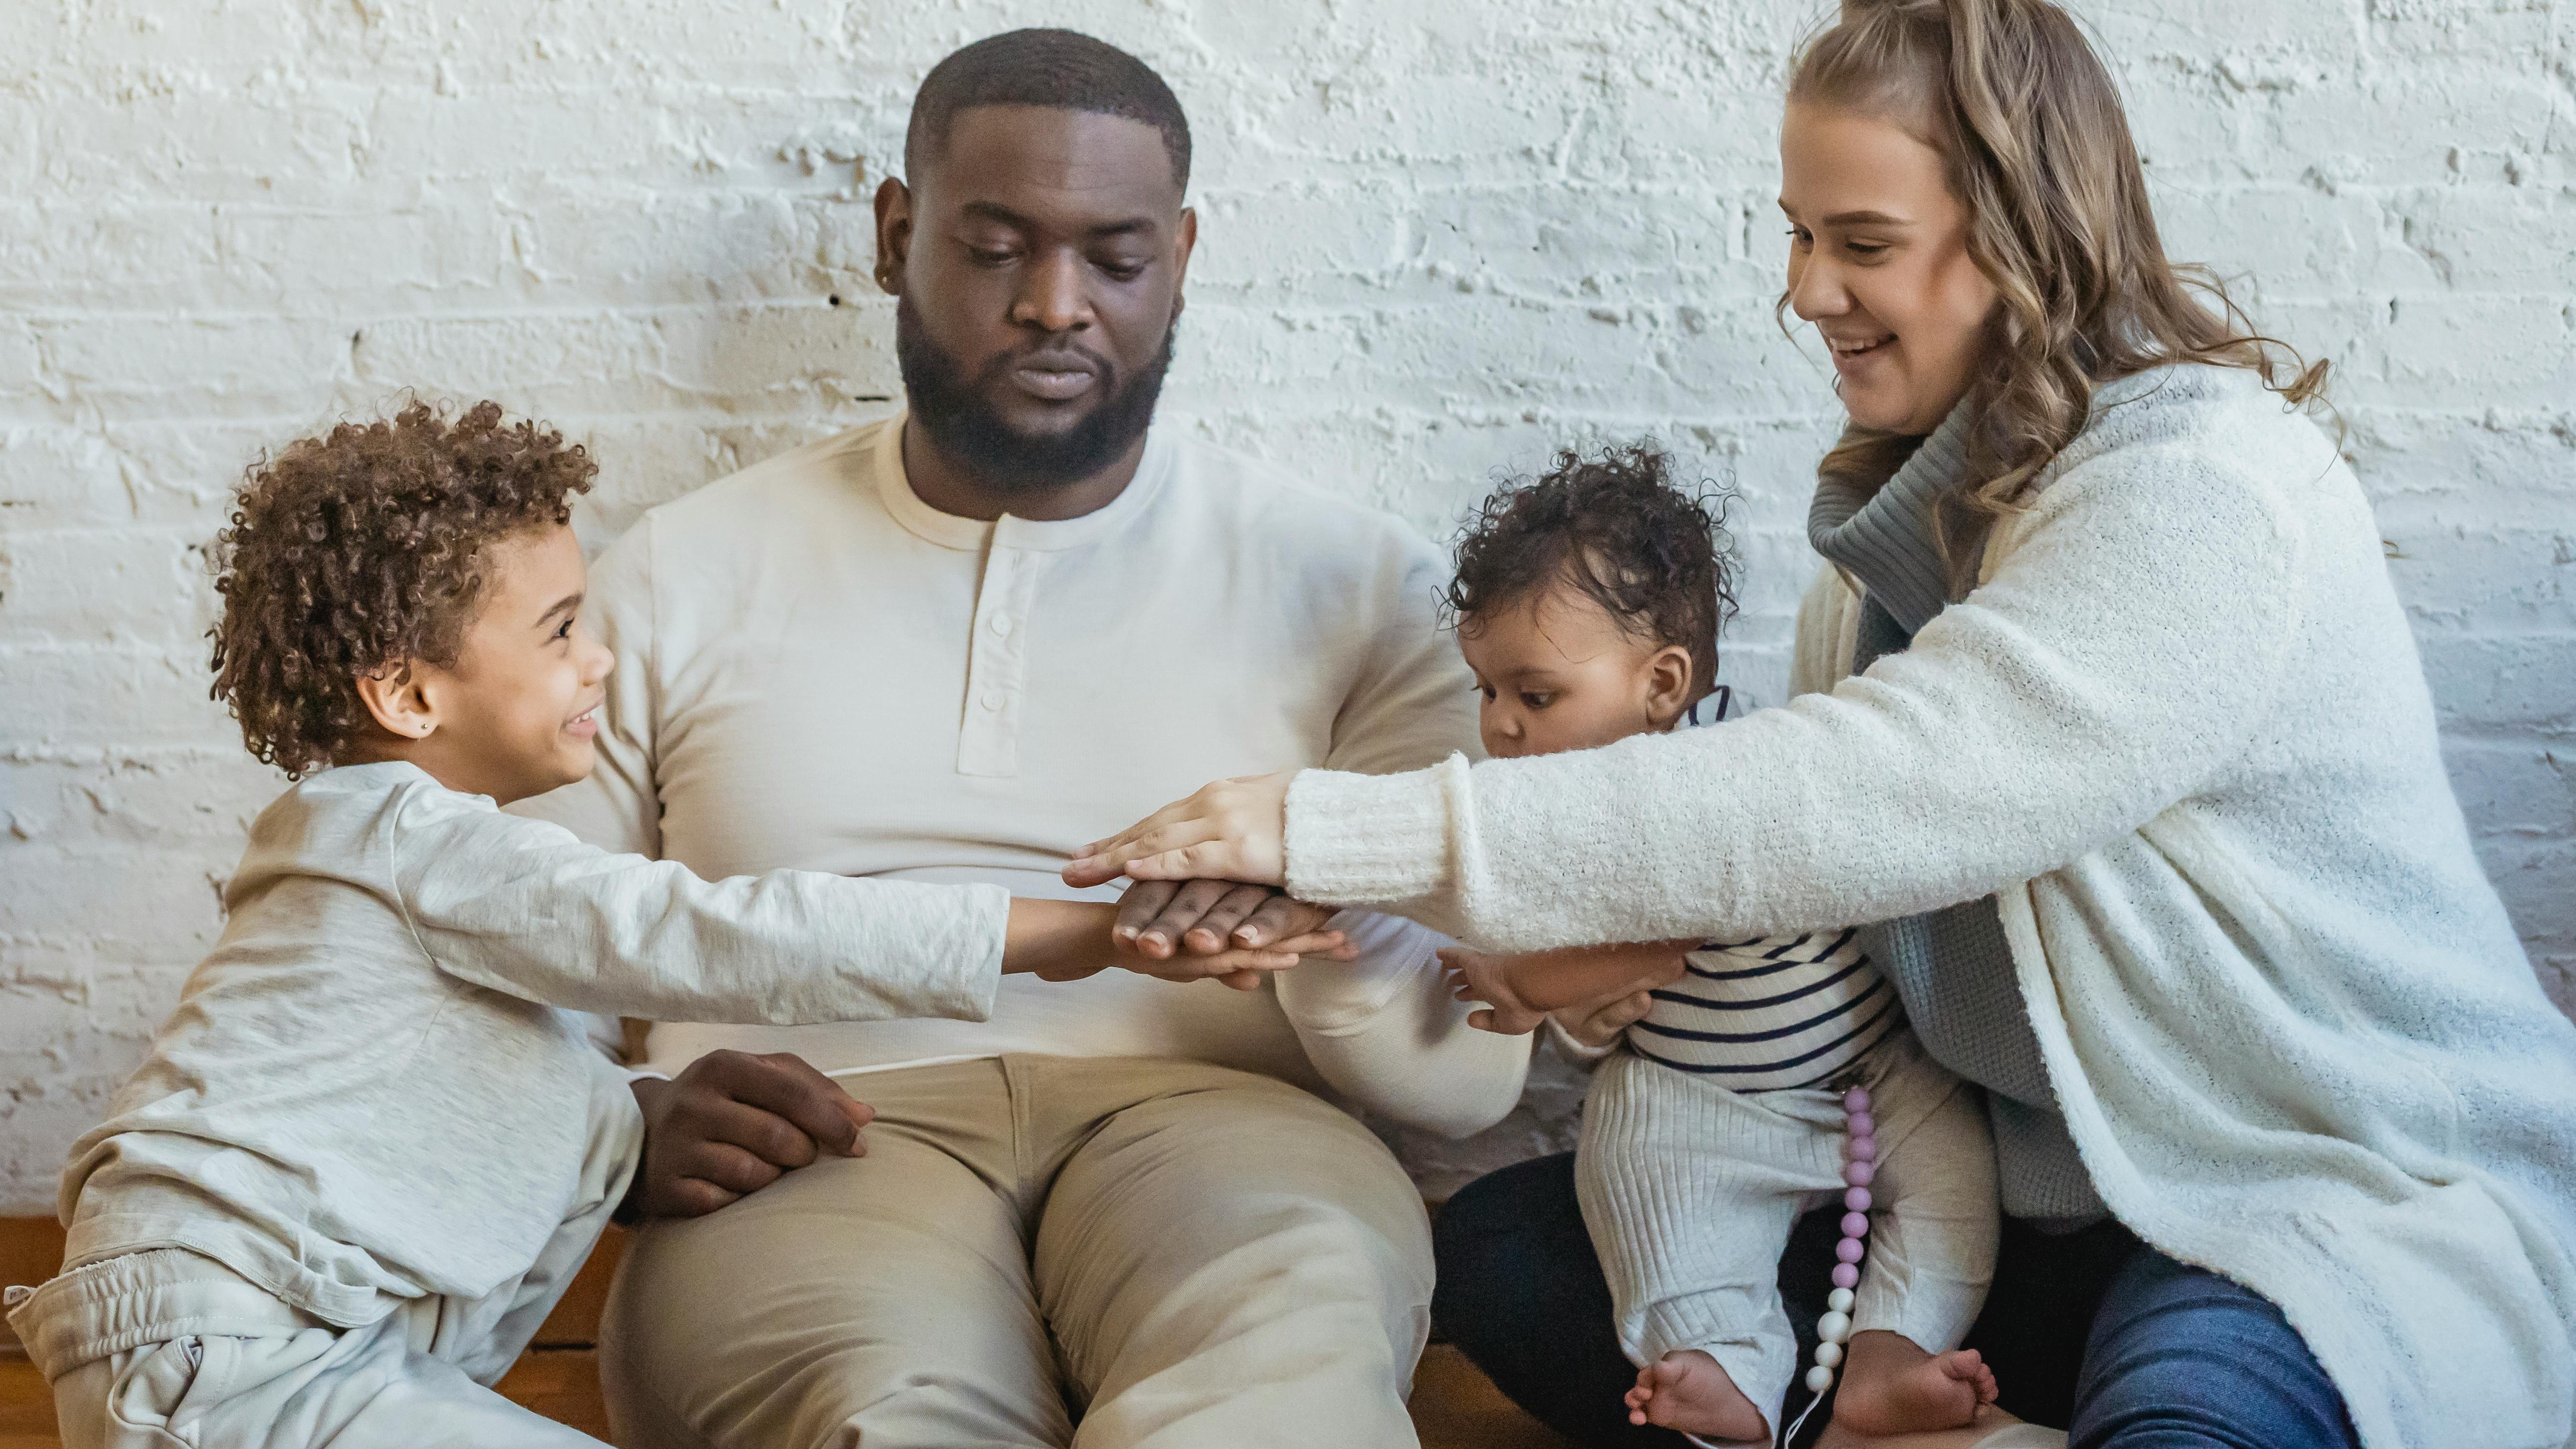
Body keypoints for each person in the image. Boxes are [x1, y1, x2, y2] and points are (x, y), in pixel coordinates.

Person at [1064, 2, 2576, 1446]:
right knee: (1512, 1258)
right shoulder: (1888, 561)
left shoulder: (2198, 492)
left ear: (2027, 241)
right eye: (1797, 234)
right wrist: (1605, 973)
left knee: (2191, 1417)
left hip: (2282, 1191)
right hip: (2027, 1193)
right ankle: (1909, 1416)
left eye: (1860, 244)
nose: (1803, 291)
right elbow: (1817, 903)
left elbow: (1878, 791)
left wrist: (1328, 825)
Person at [511, 29, 1535, 1449]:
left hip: (1225, 1122)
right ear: (893, 235)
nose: (1056, 306)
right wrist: (619, 1117)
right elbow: (507, 938)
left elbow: (1470, 1071)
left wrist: (1330, 919)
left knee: (1276, 1358)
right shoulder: (678, 576)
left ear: (1178, 258)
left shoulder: (1362, 592)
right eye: (995, 250)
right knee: (875, 1406)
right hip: (817, 1129)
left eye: (1113, 259)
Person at [0, 403, 1305, 1449]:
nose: (601, 664)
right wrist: (1059, 935)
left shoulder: (402, 868)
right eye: (563, 633)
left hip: (245, 1337)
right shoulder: (419, 844)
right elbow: (720, 934)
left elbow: (451, 1092)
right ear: (405, 691)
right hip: (225, 1344)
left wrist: (630, 1123)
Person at [1428, 445, 2002, 1446]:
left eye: (1535, 694)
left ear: (1662, 684)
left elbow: (1658, 940)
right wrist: (1575, 1025)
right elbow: (1616, 998)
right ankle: (1720, 1365)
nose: (1501, 727)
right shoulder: (1547, 816)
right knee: (1641, 1190)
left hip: (1863, 1078)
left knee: (1955, 1185)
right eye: (1485, 692)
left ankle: (1889, 1353)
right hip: (1695, 1099)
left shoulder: (1723, 781)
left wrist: (1523, 984)